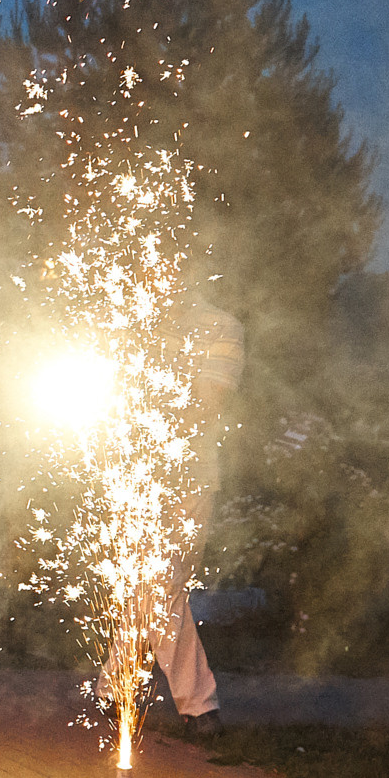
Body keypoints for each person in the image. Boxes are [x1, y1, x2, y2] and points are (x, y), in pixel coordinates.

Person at [109, 286, 247, 737]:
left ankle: (171, 700)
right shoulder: (137, 321)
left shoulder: (221, 327)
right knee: (146, 583)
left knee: (158, 584)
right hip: (135, 473)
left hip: (188, 478)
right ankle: (137, 691)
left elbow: (210, 402)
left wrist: (152, 401)